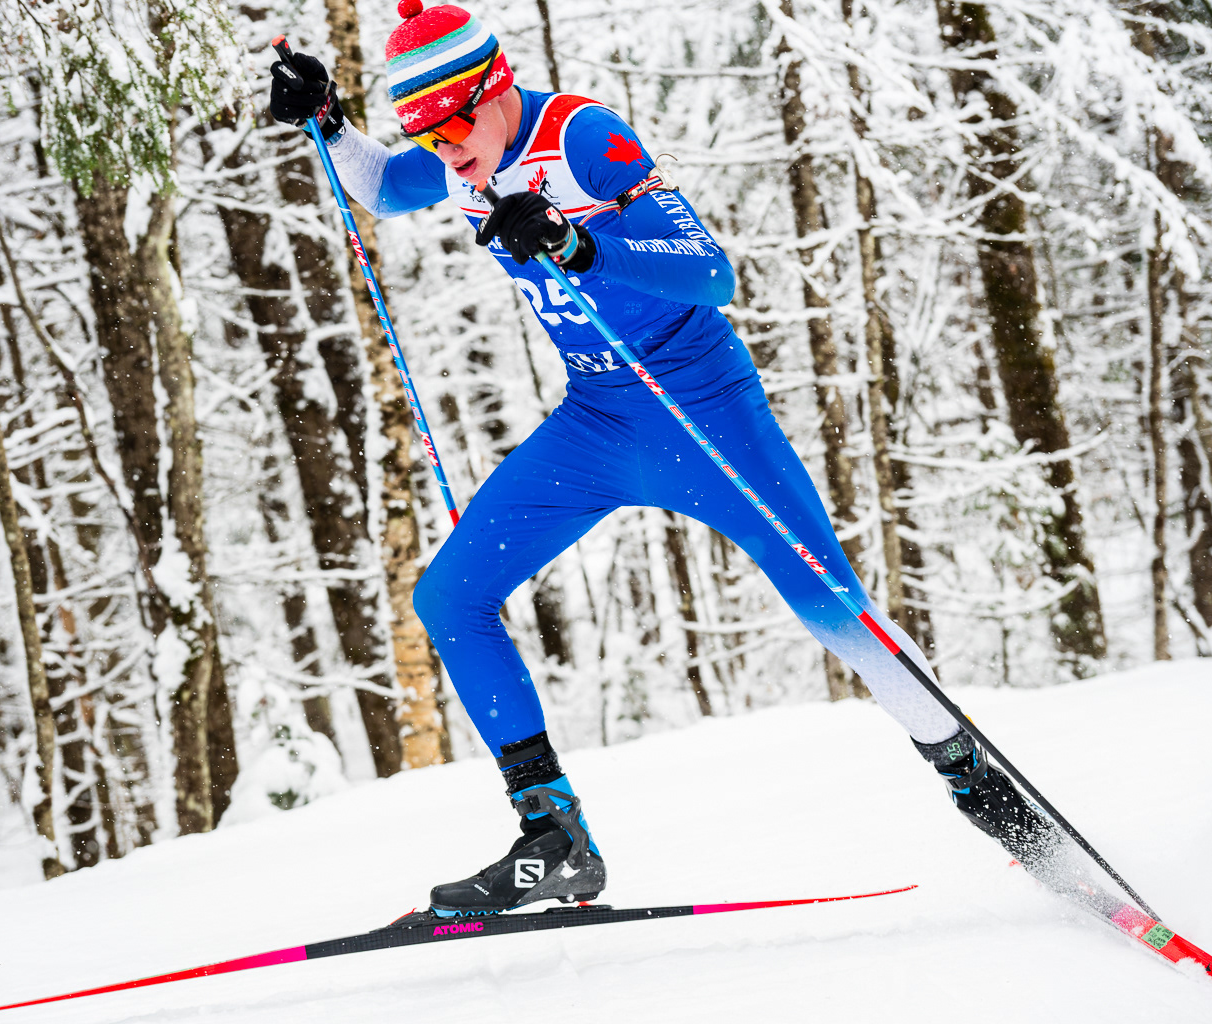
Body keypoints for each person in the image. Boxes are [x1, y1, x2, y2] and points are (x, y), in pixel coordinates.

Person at [270, 0, 1054, 918]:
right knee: (449, 597)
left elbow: (711, 271)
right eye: (424, 134)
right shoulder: (459, 160)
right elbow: (384, 189)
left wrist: (578, 244)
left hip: (700, 408)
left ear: (495, 87)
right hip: (598, 422)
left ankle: (981, 788)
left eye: (451, 126)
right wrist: (329, 120)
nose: (444, 151)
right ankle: (555, 837)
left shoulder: (581, 136)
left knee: (830, 602)